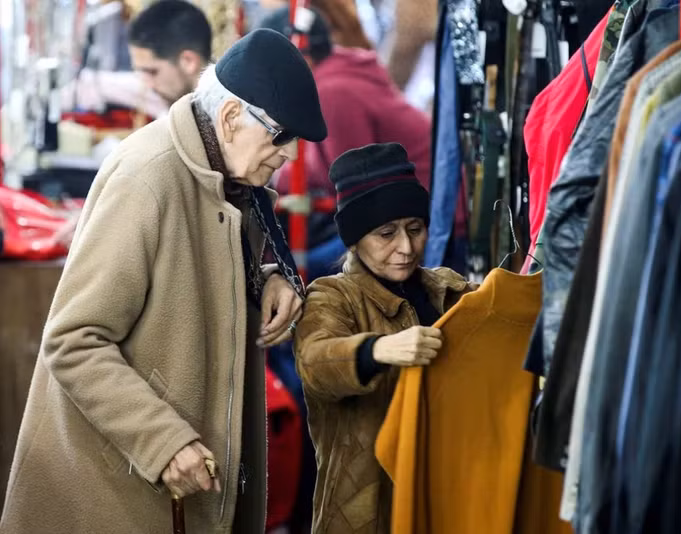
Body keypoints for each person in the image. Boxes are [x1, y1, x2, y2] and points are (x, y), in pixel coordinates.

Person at [0, 29, 326, 533]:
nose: (288, 154)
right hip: (116, 495)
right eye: (281, 136)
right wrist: (162, 440)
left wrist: (267, 281)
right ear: (232, 116)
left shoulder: (228, 177)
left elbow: (194, 280)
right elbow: (74, 340)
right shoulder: (148, 179)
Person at [294, 143, 474, 533]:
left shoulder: (448, 290)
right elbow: (315, 363)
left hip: (444, 498)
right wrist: (378, 349)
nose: (406, 248)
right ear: (355, 239)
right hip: (365, 512)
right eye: (386, 234)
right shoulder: (331, 297)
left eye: (415, 229)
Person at [260, 7, 432, 280]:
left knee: (291, 272)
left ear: (299, 57)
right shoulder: (338, 72)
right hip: (399, 211)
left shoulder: (334, 91)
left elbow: (351, 184)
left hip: (416, 220)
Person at [63, 0, 212, 118]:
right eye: (141, 72)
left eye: (152, 72)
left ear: (188, 62)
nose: (146, 84)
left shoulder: (222, 120)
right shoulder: (179, 105)